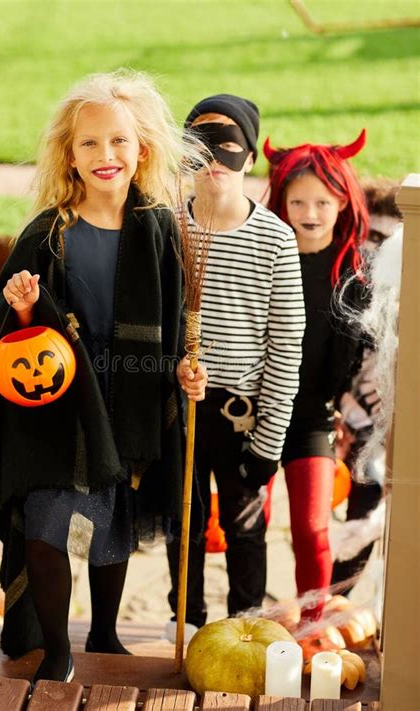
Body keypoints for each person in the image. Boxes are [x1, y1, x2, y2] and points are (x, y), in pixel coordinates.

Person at [0, 70, 207, 683]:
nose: (107, 156)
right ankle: (57, 648)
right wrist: (21, 308)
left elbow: (175, 317)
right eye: (91, 144)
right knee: (47, 524)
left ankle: (104, 630)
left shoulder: (157, 227)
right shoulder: (48, 234)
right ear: (69, 157)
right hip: (56, 404)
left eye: (119, 141)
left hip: (128, 397)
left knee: (112, 521)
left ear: (142, 150)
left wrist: (183, 367)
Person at [165, 94, 305, 637]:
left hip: (242, 415)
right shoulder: (169, 228)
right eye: (198, 152)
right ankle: (186, 626)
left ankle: (247, 632)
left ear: (248, 158)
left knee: (246, 531)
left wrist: (267, 447)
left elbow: (285, 347)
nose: (213, 165)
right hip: (182, 407)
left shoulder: (273, 239)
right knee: (187, 524)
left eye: (227, 151)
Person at [263, 130, 369, 622]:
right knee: (242, 526)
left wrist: (348, 411)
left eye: (322, 202)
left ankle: (313, 624)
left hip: (312, 418)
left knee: (311, 528)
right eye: (298, 200)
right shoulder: (264, 256)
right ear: (281, 200)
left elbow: (360, 358)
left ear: (343, 201)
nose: (309, 212)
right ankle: (235, 619)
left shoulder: (355, 272)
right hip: (256, 413)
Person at [331, 178, 402, 594]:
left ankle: (338, 599)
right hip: (344, 412)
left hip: (385, 423)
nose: (377, 251)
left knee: (368, 506)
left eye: (388, 240)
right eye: (371, 236)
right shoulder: (348, 282)